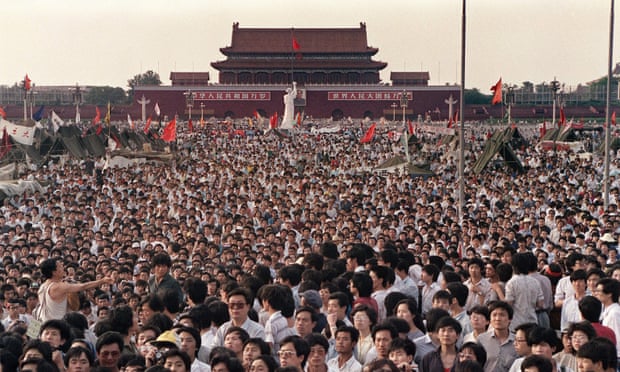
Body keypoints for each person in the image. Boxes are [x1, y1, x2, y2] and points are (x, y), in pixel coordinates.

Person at [36, 258, 113, 322]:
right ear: (54, 272)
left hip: (42, 324)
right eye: (60, 266)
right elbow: (83, 286)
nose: (63, 268)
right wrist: (102, 281)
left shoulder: (42, 286)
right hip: (57, 326)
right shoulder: (58, 286)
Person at [477, 301, 518, 372]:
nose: (498, 319)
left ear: (510, 319)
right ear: (490, 319)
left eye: (502, 315)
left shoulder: (517, 341)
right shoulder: (482, 339)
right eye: (494, 315)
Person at [593, 278, 620, 362]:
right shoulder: (606, 310)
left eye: (599, 291)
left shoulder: (614, 313)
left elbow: (617, 338)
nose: (596, 293)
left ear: (609, 294)